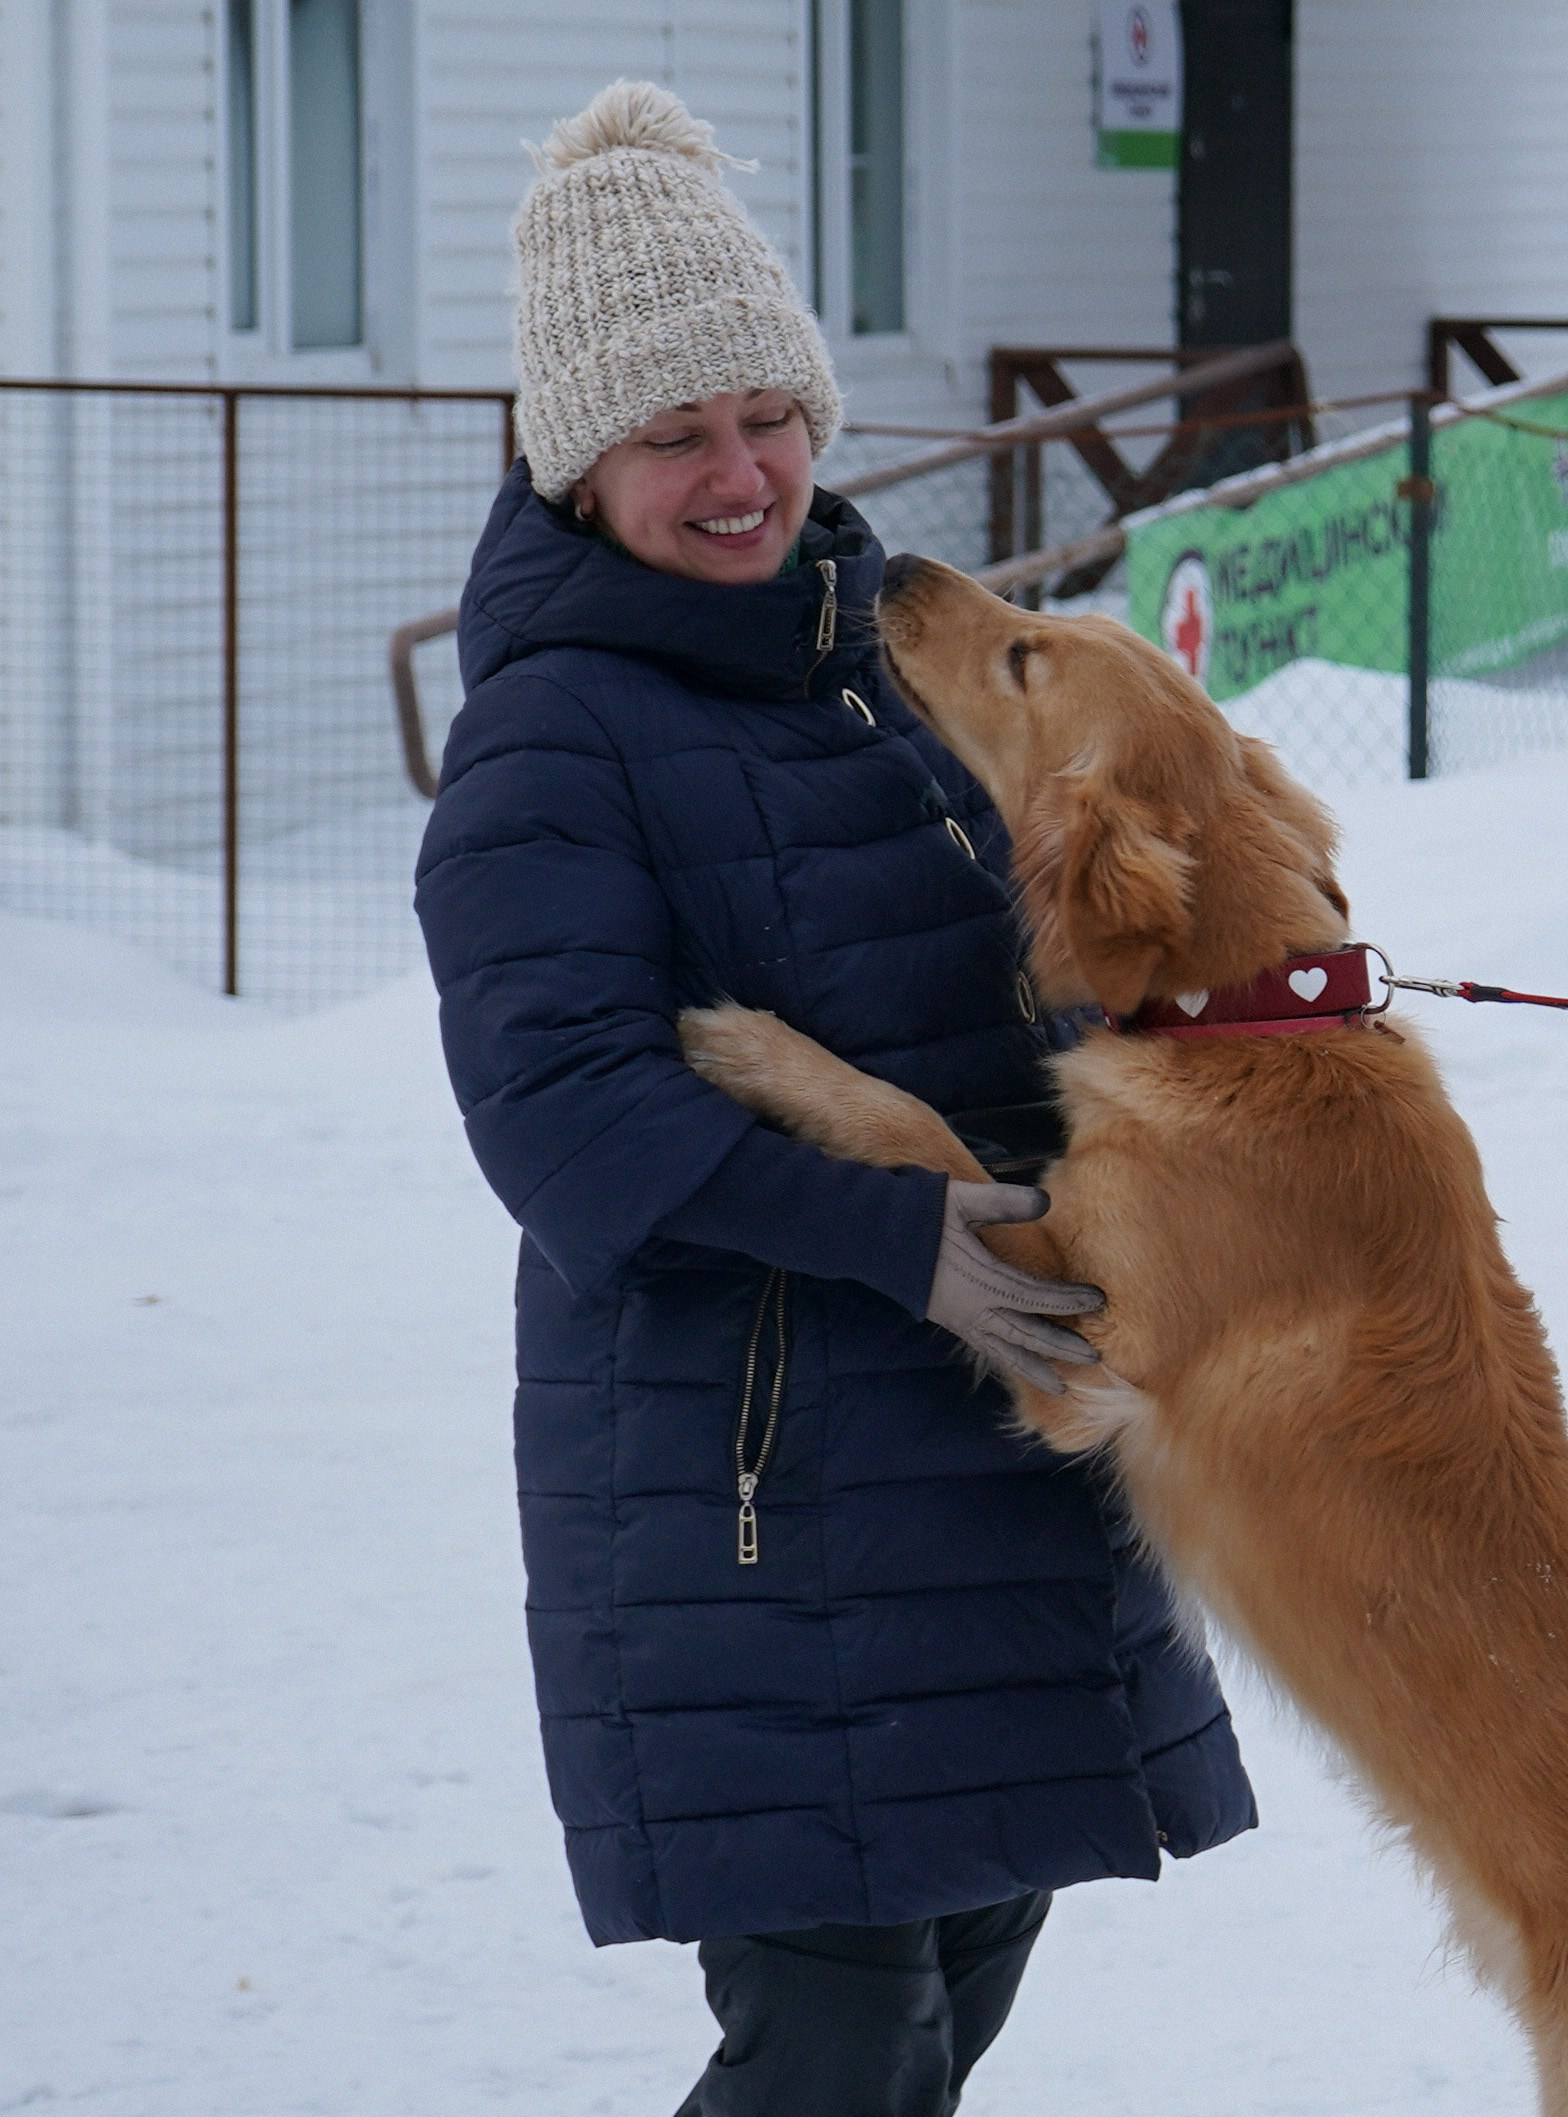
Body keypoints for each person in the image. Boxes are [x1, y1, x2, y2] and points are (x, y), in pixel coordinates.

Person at [414, 80, 1255, 2117]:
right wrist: (907, 1237)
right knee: (837, 2050)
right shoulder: (551, 742)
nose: (741, 474)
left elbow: (1056, 964)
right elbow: (566, 1115)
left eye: (767, 414)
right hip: (760, 1504)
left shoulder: (894, 672)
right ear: (578, 461)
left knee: (953, 1995)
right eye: (675, 436)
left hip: (995, 1448)